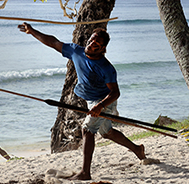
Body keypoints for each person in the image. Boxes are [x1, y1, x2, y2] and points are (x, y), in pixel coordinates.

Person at [18, 22, 146, 180]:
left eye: (97, 44)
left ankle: (85, 173)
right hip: (91, 100)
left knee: (88, 130)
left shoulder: (106, 67)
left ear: (102, 49)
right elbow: (53, 42)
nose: (92, 44)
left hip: (105, 100)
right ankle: (137, 149)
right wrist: (32, 31)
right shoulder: (75, 51)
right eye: (92, 40)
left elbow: (115, 92)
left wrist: (100, 106)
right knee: (107, 133)